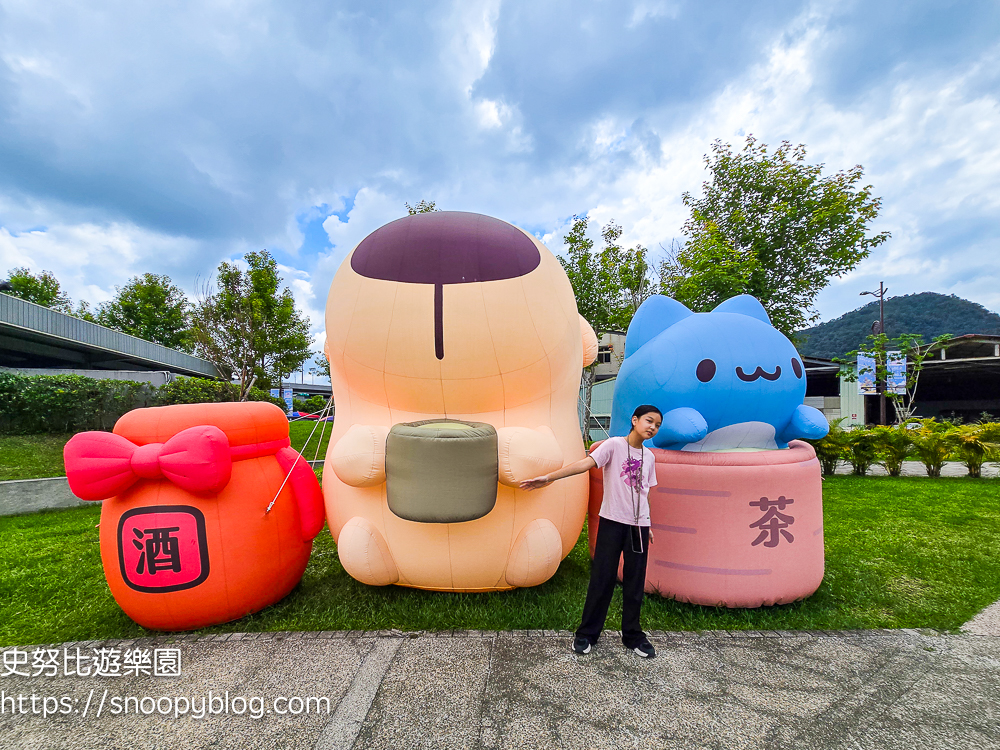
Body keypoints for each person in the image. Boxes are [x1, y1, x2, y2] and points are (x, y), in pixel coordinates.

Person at [521, 404, 662, 658]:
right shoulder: (615, 446)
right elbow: (585, 464)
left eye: (657, 425)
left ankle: (633, 636)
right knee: (602, 579)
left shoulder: (649, 457)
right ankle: (586, 634)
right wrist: (549, 477)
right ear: (635, 420)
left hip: (638, 527)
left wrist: (647, 523)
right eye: (649, 421)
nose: (652, 427)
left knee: (634, 583)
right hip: (612, 522)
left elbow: (646, 492)